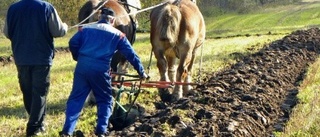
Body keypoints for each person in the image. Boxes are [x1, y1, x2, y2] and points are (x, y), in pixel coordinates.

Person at [59, 7, 148, 137]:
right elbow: (131, 54)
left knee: (76, 99)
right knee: (105, 99)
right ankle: (101, 130)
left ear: (99, 18)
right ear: (112, 20)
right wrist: (141, 72)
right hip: (100, 70)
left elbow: (72, 42)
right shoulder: (118, 35)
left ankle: (67, 131)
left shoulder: (86, 28)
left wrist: (77, 57)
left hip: (82, 68)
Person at [2, 0, 68, 136]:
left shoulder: (13, 8)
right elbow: (58, 31)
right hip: (41, 57)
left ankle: (37, 121)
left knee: (27, 90)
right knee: (40, 92)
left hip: (21, 57)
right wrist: (66, 27)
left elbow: (7, 33)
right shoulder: (46, 7)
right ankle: (34, 127)